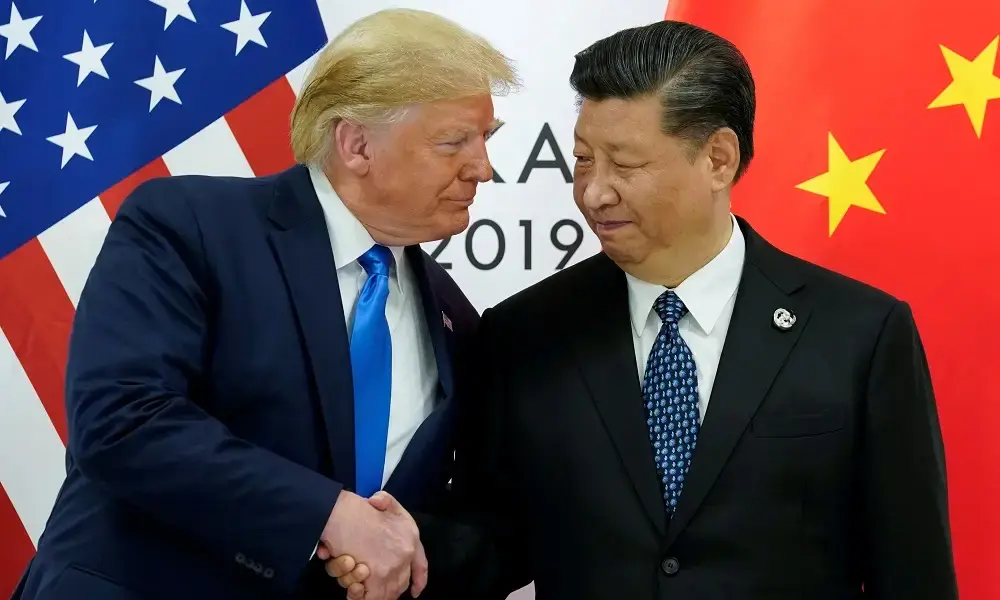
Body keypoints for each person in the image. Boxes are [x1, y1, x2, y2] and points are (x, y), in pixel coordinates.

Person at [330, 19, 958, 600]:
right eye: (582, 161)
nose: (593, 192)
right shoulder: (524, 334)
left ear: (718, 159)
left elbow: (912, 569)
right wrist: (392, 550)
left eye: (625, 165)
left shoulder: (860, 335)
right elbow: (493, 539)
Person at [11, 8, 517, 600]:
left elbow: (447, 516)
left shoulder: (454, 317)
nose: (483, 168)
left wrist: (394, 546)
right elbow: (121, 418)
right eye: (453, 142)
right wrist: (330, 515)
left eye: (486, 140)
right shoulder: (189, 225)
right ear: (355, 145)